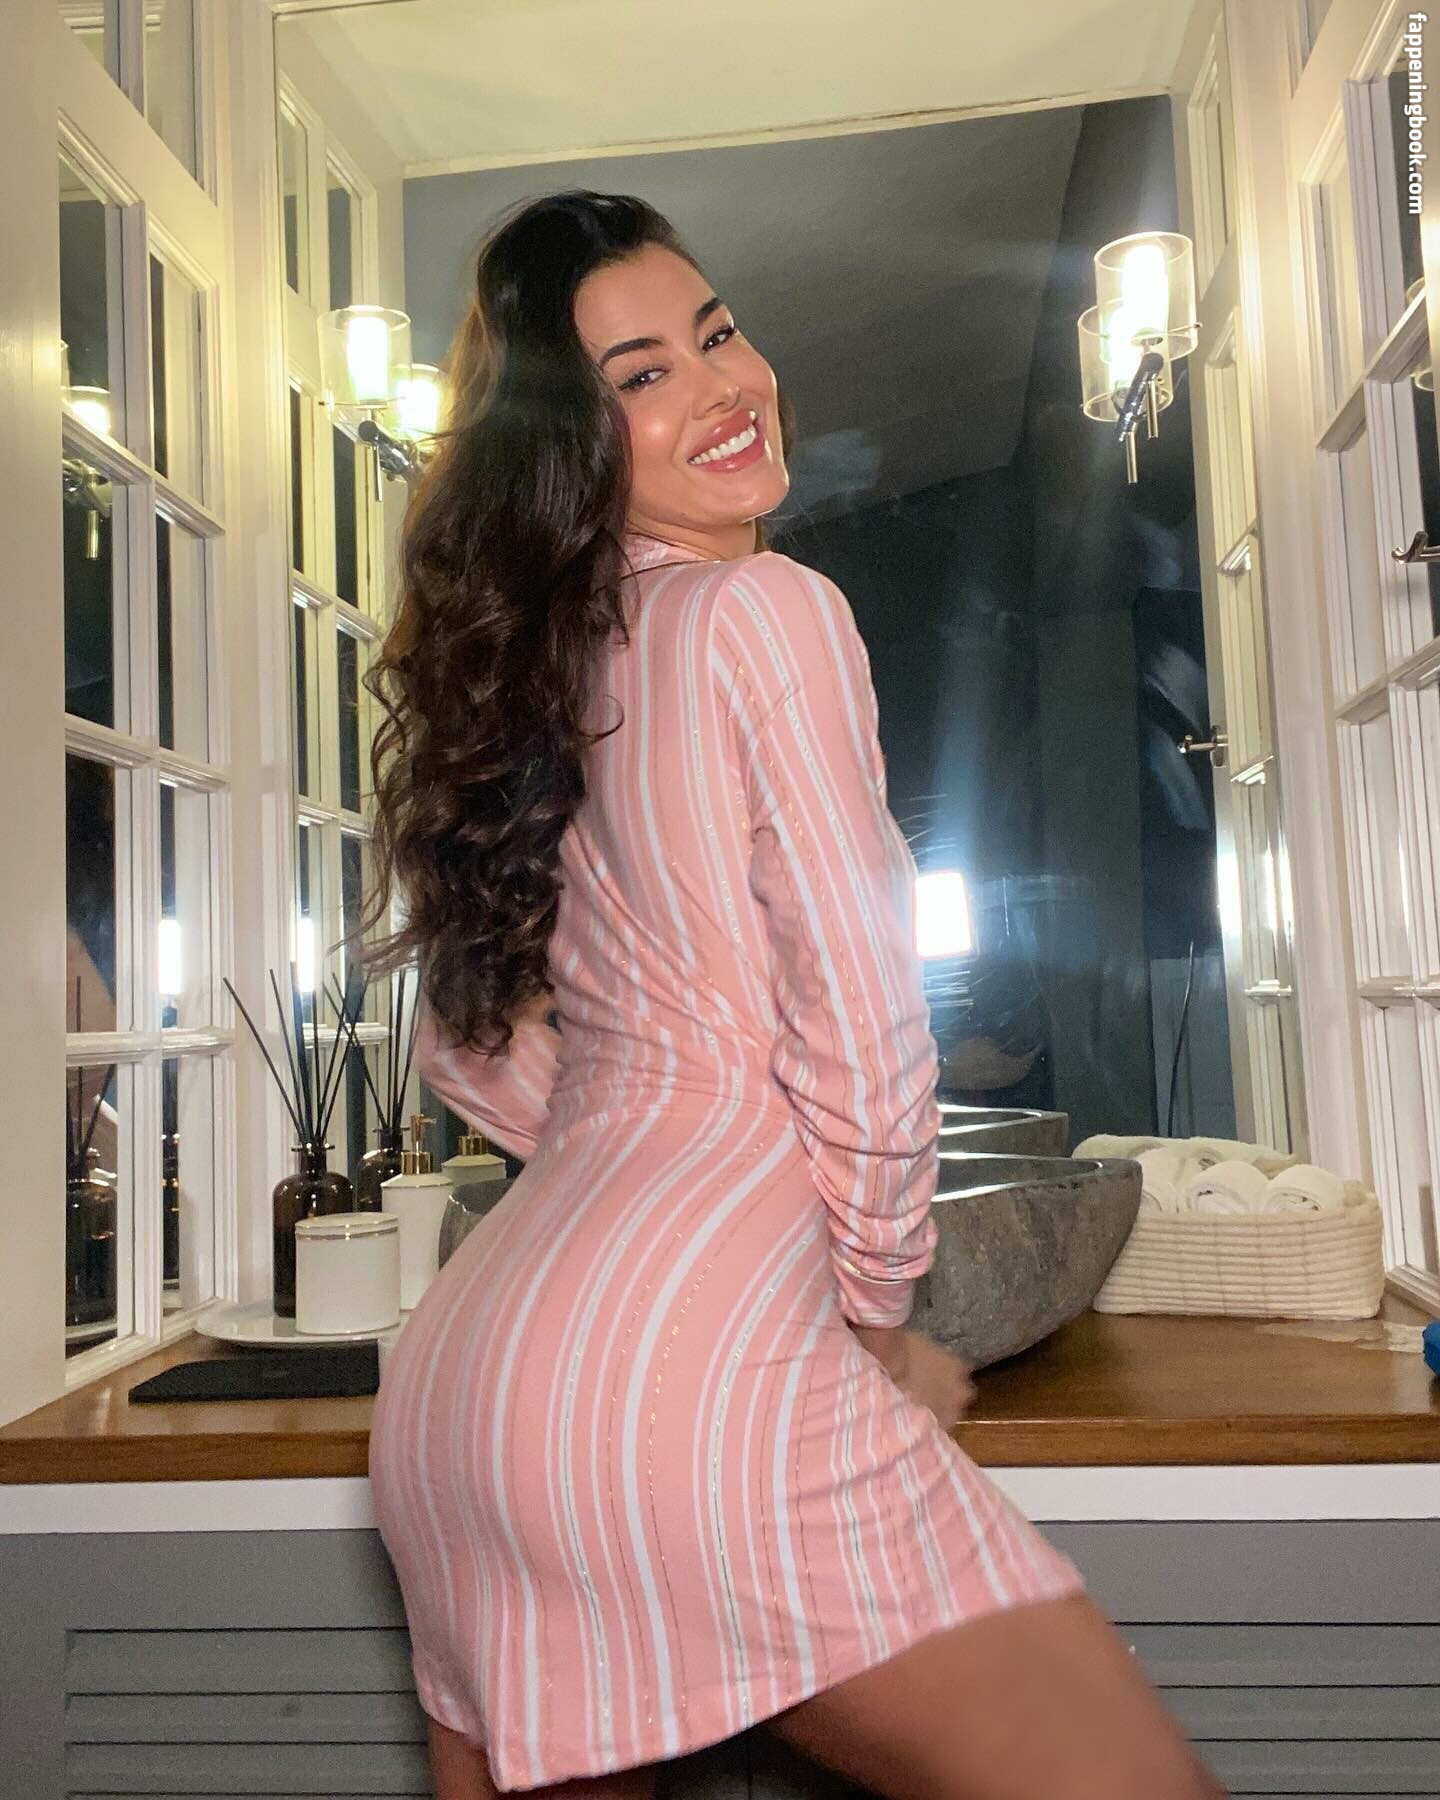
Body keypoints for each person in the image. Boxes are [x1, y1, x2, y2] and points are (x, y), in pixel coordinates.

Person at [364, 191, 1224, 1800]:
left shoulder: (542, 681)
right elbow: (861, 1003)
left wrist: (635, 1147)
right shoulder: (767, 611)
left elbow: (467, 1057)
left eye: (718, 333)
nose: (722, 386)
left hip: (462, 1393)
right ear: (568, 448)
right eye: (641, 377)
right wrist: (871, 1314)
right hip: (690, 1390)